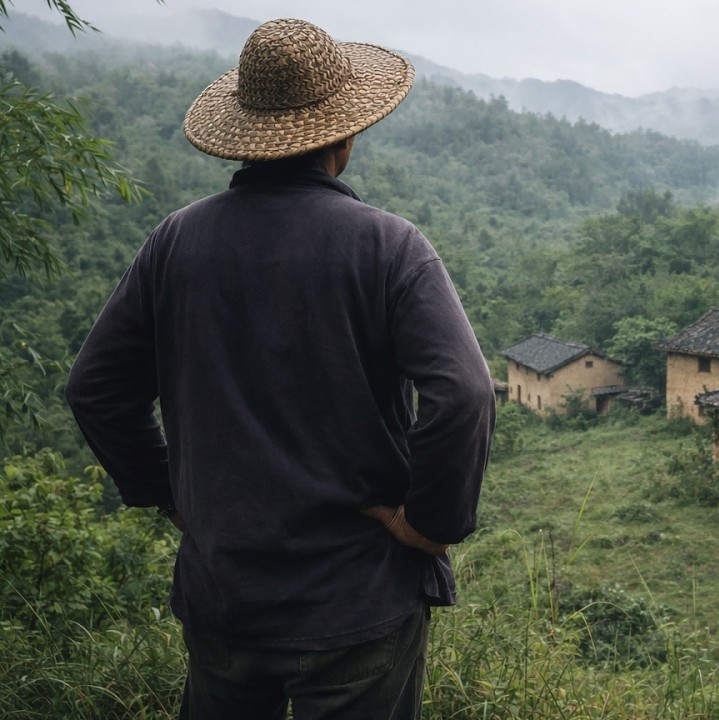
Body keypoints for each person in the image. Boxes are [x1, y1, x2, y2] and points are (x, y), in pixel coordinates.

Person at [64, 18, 494, 719]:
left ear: (246, 132)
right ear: (344, 136)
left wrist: (171, 493)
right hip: (359, 597)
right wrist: (430, 523)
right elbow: (466, 394)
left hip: (224, 593)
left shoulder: (177, 241)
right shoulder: (388, 247)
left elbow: (95, 389)